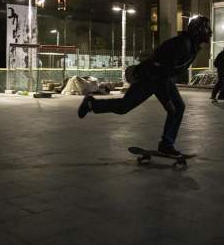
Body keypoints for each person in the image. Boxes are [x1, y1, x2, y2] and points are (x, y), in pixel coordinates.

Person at [77, 16, 213, 156]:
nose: (209, 34)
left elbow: (166, 72)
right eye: (207, 30)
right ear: (199, 31)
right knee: (125, 107)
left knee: (177, 107)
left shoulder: (191, 46)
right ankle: (91, 104)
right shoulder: (183, 45)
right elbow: (160, 71)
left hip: (161, 78)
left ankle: (167, 145)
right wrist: (167, 100)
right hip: (149, 77)